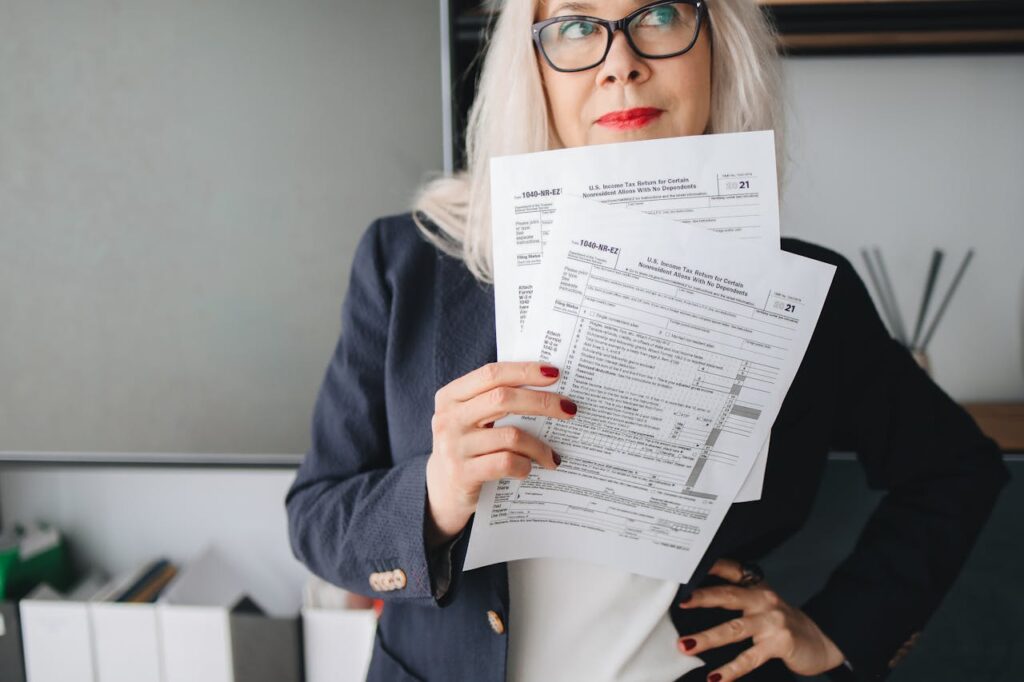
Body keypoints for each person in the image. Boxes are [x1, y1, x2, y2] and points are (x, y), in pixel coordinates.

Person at [284, 1, 1010, 680]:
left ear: (718, 42)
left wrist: (840, 629)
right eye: (574, 26)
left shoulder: (805, 290)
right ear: (528, 67)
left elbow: (955, 469)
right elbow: (317, 518)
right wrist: (437, 495)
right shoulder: (407, 262)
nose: (619, 62)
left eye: (658, 15)